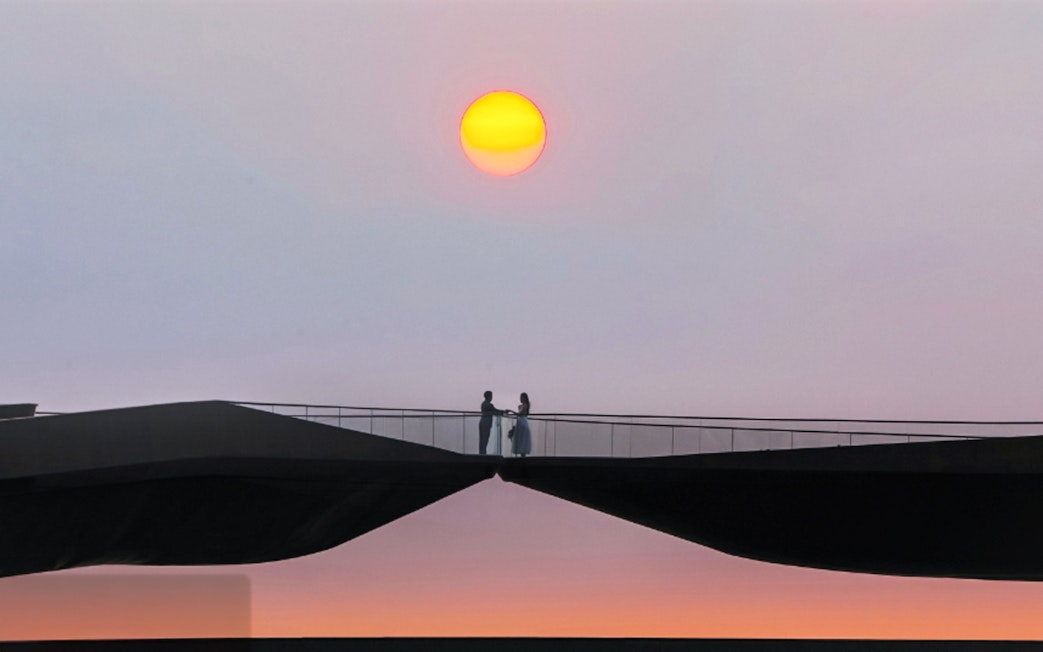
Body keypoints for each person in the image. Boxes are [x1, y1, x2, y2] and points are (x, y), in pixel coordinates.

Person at [478, 391, 504, 455]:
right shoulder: (489, 405)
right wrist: (503, 412)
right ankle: (483, 454)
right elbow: (495, 411)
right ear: (489, 396)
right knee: (485, 439)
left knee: (482, 440)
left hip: (482, 422)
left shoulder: (483, 404)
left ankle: (482, 453)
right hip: (486, 423)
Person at [510, 392, 532, 457]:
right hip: (520, 422)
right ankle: (522, 454)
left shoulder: (525, 405)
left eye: (521, 397)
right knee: (521, 438)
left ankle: (523, 454)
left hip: (523, 422)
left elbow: (520, 414)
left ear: (525, 398)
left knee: (522, 438)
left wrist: (511, 411)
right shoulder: (521, 406)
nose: (520, 399)